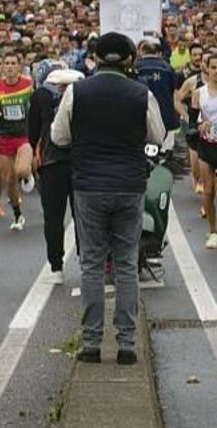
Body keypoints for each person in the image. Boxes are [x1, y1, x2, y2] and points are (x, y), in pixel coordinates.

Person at [50, 33, 167, 366]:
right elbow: (157, 136)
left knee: (90, 263)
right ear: (130, 60)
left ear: (95, 58)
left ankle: (90, 342)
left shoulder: (77, 91)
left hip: (89, 184)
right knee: (127, 263)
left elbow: (59, 136)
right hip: (129, 184)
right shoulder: (140, 93)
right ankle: (127, 343)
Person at [178, 54, 217, 249]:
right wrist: (200, 125)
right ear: (207, 69)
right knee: (209, 191)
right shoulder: (198, 93)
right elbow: (193, 121)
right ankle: (213, 232)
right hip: (207, 146)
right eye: (214, 67)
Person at [29, 64, 81, 281]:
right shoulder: (83, 91)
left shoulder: (40, 95)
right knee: (84, 216)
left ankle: (56, 266)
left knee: (53, 216)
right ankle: (87, 260)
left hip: (51, 161)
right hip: (81, 161)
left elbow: (32, 131)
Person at [0, 53, 35, 231]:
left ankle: (28, 173)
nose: (9, 66)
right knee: (10, 180)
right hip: (5, 135)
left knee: (21, 169)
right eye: (6, 63)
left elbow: (37, 103)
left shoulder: (28, 84)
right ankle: (17, 215)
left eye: (13, 63)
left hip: (25, 134)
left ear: (19, 67)